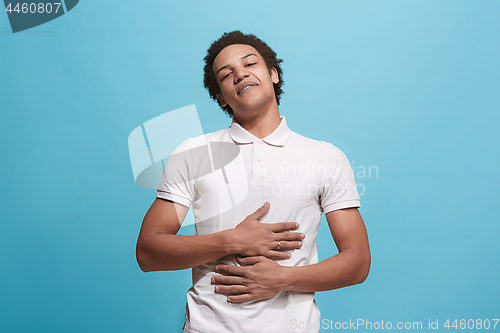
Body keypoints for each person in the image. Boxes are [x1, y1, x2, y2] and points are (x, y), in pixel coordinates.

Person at [136, 31, 371, 333]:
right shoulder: (194, 154)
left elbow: (358, 261)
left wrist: (282, 280)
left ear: (273, 74)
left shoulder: (325, 156)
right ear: (220, 96)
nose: (240, 74)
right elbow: (148, 252)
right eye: (226, 74)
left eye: (250, 64)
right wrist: (233, 239)